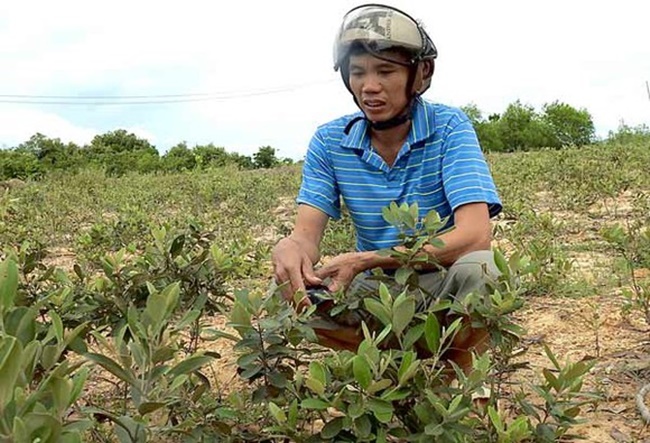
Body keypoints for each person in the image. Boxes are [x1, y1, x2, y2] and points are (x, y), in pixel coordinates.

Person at [271, 3, 503, 376]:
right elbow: (306, 235)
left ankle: (466, 381)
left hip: (439, 279)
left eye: (386, 71)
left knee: (484, 271)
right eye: (358, 72)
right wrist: (290, 248)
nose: (370, 86)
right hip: (376, 292)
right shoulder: (330, 140)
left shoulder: (449, 127)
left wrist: (367, 259)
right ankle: (390, 367)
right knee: (287, 293)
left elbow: (475, 236)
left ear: (420, 73)